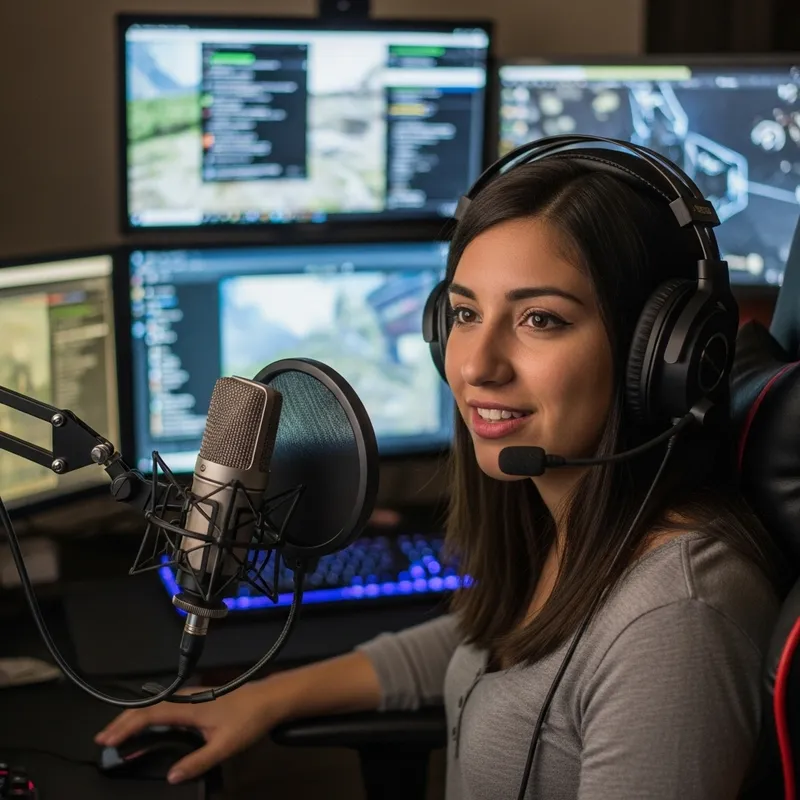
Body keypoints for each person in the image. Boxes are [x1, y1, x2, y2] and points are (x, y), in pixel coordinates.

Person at [95, 153, 786, 798]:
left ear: (658, 358)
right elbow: (483, 642)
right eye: (464, 313)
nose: (476, 364)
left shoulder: (677, 619)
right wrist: (263, 696)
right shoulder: (570, 525)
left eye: (540, 319)